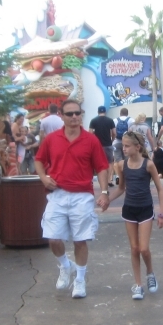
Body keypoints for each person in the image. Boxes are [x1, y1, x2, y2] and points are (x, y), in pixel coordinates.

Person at [35, 99, 111, 299]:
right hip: (57, 194)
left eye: (78, 113)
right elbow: (39, 160)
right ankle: (65, 265)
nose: (74, 117)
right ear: (61, 115)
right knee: (53, 238)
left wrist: (104, 192)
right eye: (70, 114)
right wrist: (44, 178)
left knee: (80, 240)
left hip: (82, 196)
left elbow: (102, 166)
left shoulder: (91, 140)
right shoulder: (52, 139)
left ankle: (79, 280)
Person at [108, 130, 163, 300]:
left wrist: (162, 213)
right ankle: (138, 285)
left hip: (145, 209)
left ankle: (150, 273)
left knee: (144, 249)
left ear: (137, 147)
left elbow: (160, 189)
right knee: (134, 248)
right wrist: (107, 200)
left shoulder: (148, 164)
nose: (124, 149)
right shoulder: (121, 165)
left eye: (127, 146)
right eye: (123, 146)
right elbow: (121, 188)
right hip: (129, 209)